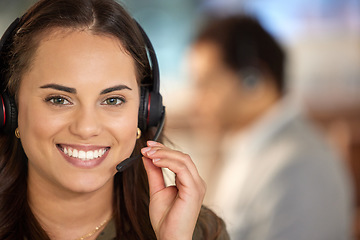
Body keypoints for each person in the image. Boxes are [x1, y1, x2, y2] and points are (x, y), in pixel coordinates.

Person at [0, 0, 229, 239]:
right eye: (59, 100)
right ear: (10, 109)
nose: (86, 128)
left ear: (144, 112)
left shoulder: (200, 232)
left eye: (112, 100)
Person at [186, 15, 354, 239]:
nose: (197, 102)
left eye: (206, 84)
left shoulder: (300, 165)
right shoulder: (250, 148)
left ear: (252, 80)